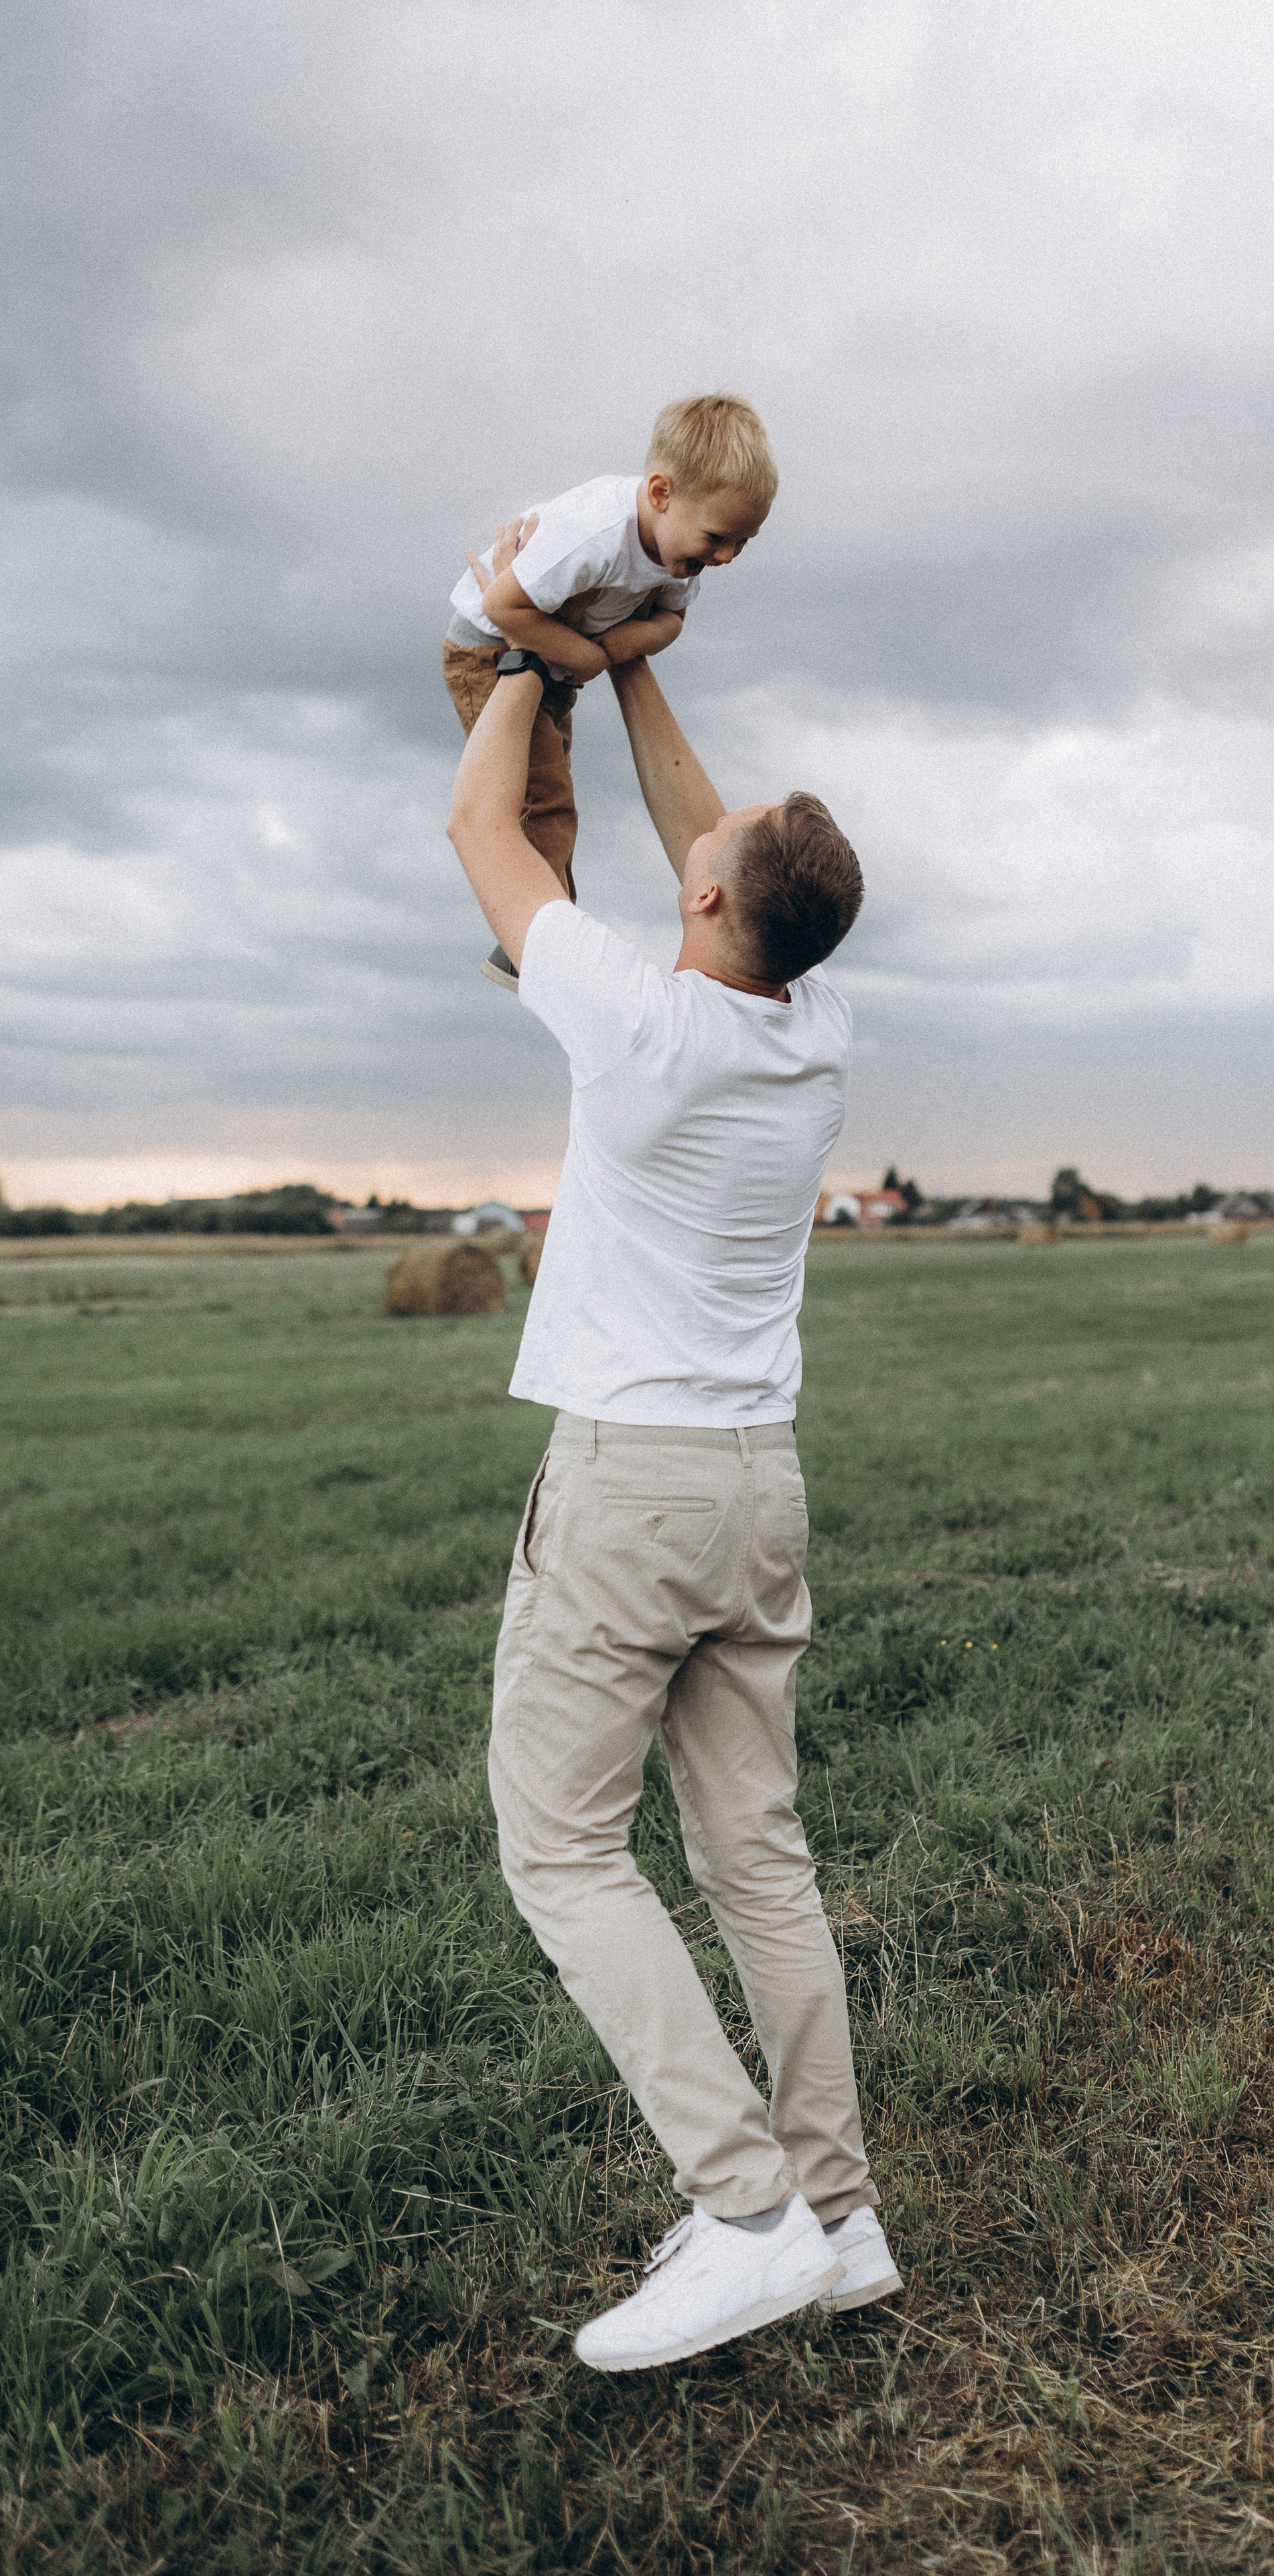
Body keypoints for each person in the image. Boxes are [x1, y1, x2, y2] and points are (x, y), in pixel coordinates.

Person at [445, 573, 902, 2373]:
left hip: (633, 1484)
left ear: (709, 901)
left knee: (560, 1844)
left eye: (710, 850)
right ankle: (843, 2212)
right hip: (756, 1483)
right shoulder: (810, 1027)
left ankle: (748, 2209)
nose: (689, 845)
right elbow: (716, 840)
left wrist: (512, 649)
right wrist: (628, 680)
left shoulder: (638, 1020)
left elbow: (482, 823)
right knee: (757, 1858)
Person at [445, 392, 776, 992]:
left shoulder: (680, 557)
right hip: (488, 650)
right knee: (544, 798)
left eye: (743, 543)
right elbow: (502, 603)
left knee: (554, 794)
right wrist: (585, 654)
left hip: (556, 656)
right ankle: (533, 946)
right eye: (718, 537)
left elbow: (670, 624)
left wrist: (615, 647)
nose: (726, 556)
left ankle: (535, 925)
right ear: (660, 495)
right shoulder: (594, 534)